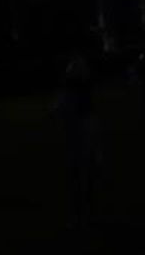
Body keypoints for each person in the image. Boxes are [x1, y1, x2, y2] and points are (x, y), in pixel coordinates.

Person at [56, 54, 99, 225]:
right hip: (83, 128)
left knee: (79, 169)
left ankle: (82, 207)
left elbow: (62, 108)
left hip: (80, 130)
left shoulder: (72, 93)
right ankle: (85, 206)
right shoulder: (79, 91)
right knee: (84, 169)